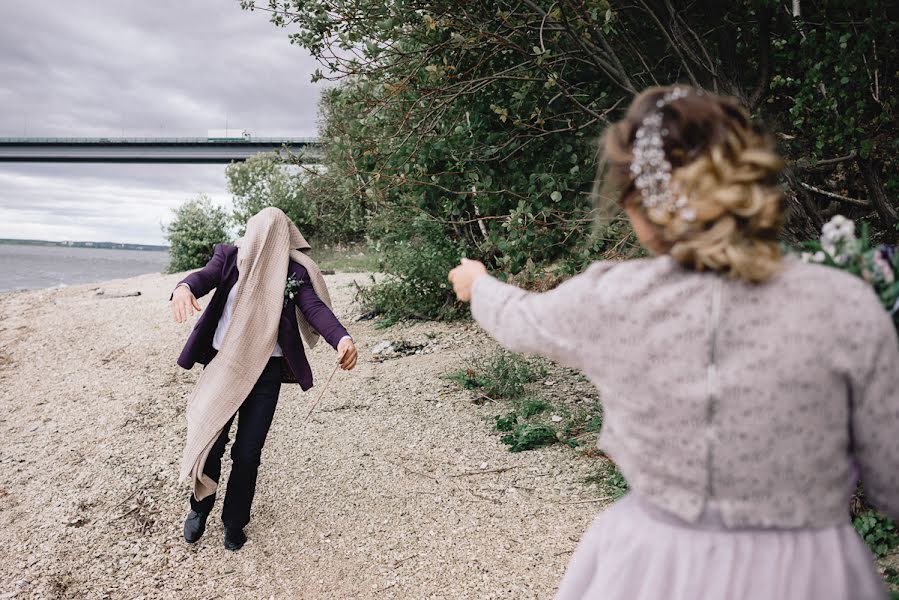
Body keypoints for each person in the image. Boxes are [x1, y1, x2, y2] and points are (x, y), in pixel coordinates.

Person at [449, 86, 899, 599]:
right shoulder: (846, 304)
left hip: (650, 569)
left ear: (640, 206)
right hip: (811, 574)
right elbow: (890, 478)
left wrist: (478, 284)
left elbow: (518, 317)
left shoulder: (611, 300)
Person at [170, 207, 357, 551]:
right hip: (223, 364)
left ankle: (234, 521)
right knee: (211, 440)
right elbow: (202, 277)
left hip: (266, 372)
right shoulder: (228, 257)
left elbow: (314, 308)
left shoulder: (293, 272)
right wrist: (183, 287)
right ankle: (200, 506)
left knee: (248, 452)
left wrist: (342, 338)